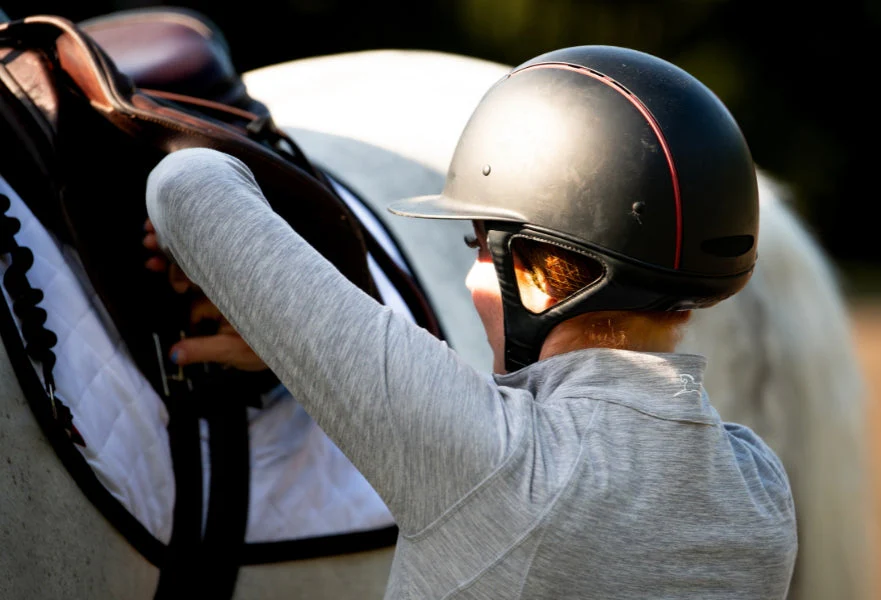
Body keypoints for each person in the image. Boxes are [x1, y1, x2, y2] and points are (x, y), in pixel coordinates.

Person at [144, 45, 797, 598]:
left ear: (541, 274)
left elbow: (185, 185)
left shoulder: (496, 460)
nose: (469, 279)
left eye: (480, 248)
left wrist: (296, 308)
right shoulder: (762, 490)